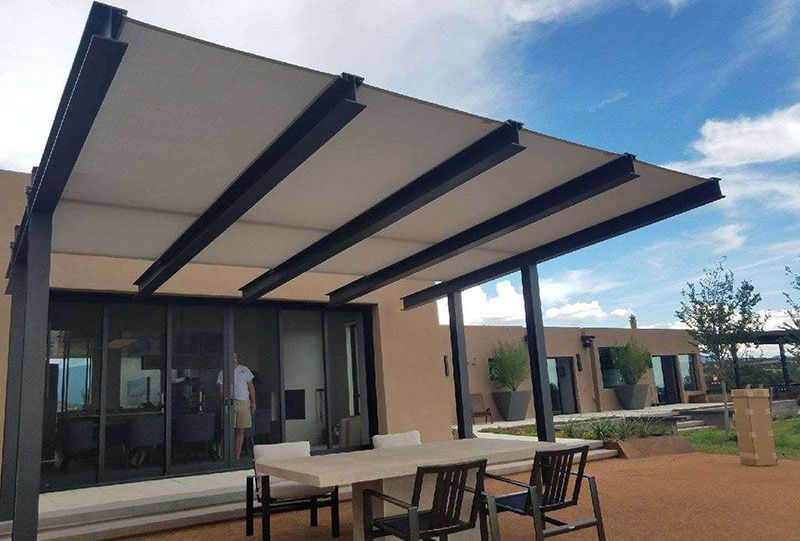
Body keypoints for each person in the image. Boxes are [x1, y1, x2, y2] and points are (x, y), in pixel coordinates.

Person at [217, 352, 256, 459]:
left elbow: (251, 387)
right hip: (230, 404)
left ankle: (236, 457)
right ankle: (224, 457)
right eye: (231, 357)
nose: (233, 359)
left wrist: (253, 402)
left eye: (235, 357)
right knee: (228, 430)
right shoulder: (223, 373)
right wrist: (226, 392)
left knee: (241, 430)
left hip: (244, 403)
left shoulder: (244, 369)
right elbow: (220, 393)